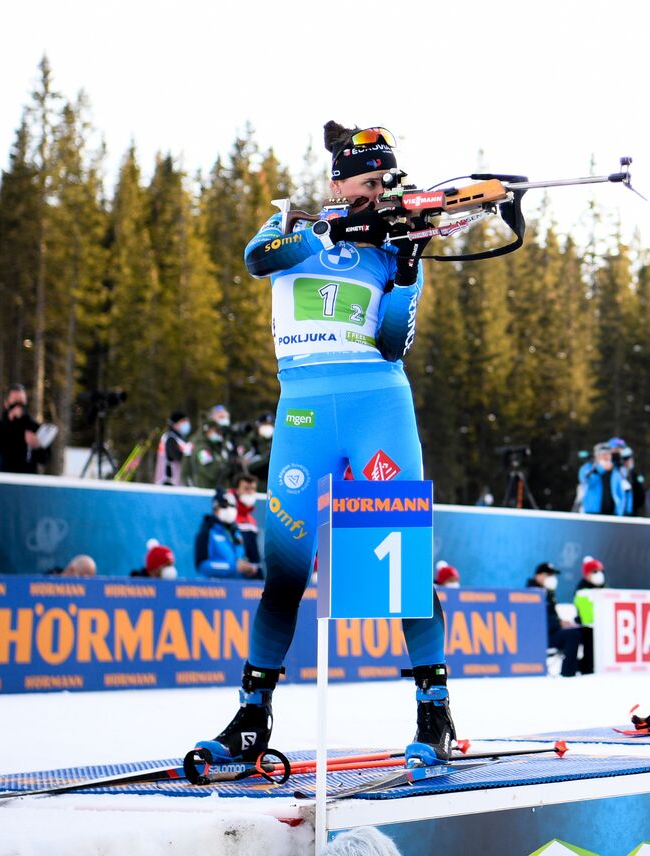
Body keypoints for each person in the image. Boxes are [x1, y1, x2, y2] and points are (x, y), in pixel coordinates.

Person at [196, 122, 454, 768]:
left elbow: (393, 342)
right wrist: (328, 231)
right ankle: (251, 718)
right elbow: (259, 258)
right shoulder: (292, 222)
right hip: (304, 413)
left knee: (399, 571)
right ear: (339, 182)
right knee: (284, 574)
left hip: (377, 409)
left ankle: (435, 713)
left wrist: (408, 268)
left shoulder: (391, 244)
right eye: (367, 182)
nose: (377, 194)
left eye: (384, 184)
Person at [529, 562, 584, 677]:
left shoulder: (548, 593)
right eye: (548, 575)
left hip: (551, 632)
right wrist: (559, 624)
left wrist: (562, 623)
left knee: (583, 631)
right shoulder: (531, 594)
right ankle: (568, 674)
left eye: (553, 575)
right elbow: (536, 623)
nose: (552, 578)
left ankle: (585, 668)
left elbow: (551, 617)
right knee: (572, 635)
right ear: (538, 576)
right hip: (539, 637)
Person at [195, 491, 261, 579]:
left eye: (233, 506)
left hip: (238, 585)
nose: (230, 510)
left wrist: (249, 569)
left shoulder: (236, 533)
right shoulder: (206, 532)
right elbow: (202, 566)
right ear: (215, 508)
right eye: (225, 506)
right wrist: (232, 567)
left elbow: (241, 560)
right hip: (214, 586)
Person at [0, 384, 48, 474]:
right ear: (6, 403)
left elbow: (45, 459)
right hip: (4, 476)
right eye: (15, 400)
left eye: (21, 401)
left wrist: (37, 447)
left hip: (28, 477)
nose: (18, 405)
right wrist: (11, 424)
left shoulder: (34, 428)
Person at [572, 556, 606, 674]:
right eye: (595, 571)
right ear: (587, 574)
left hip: (603, 626)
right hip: (587, 626)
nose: (599, 574)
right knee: (590, 634)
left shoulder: (604, 588)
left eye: (601, 571)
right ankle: (587, 669)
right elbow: (587, 617)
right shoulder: (582, 590)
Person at [578, 443, 632, 516]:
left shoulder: (616, 471)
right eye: (602, 454)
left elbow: (621, 492)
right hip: (592, 512)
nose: (605, 456)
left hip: (613, 513)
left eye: (608, 454)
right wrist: (600, 469)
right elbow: (586, 482)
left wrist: (621, 510)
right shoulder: (588, 468)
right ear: (596, 456)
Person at [192, 406, 234, 491]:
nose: (219, 434)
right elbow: (212, 472)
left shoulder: (221, 444)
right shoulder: (202, 447)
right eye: (216, 431)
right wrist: (228, 465)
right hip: (206, 491)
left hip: (220, 489)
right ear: (208, 431)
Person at [154, 410, 194, 486]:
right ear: (175, 424)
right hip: (169, 483)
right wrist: (188, 453)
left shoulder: (178, 439)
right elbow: (177, 456)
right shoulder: (170, 438)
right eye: (183, 421)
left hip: (177, 482)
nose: (186, 423)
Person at [231, 474, 263, 566]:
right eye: (246, 488)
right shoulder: (228, 516)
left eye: (253, 489)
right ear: (237, 490)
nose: (250, 492)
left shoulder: (251, 519)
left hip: (252, 570)